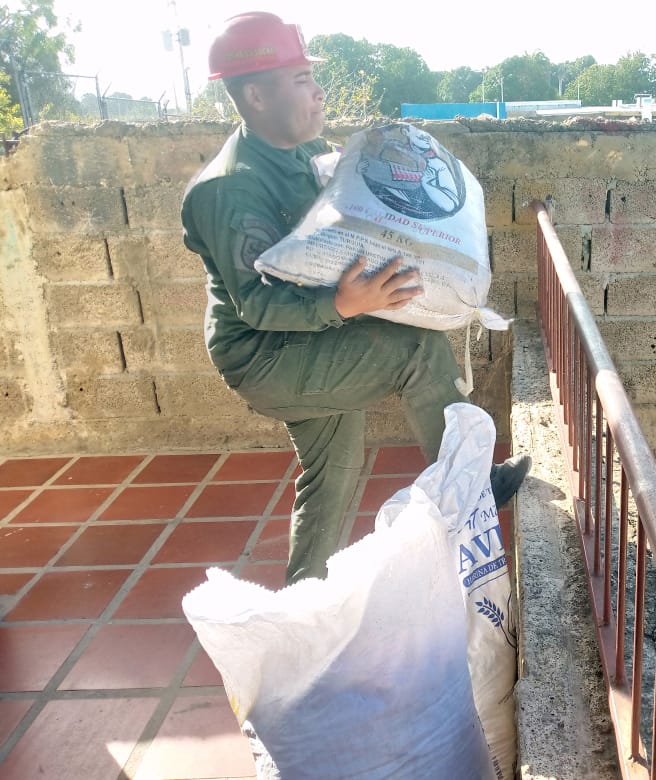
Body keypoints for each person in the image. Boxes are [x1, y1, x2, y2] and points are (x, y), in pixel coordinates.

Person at [181, 11, 530, 584]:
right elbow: (255, 304)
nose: (317, 90)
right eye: (299, 80)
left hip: (307, 341)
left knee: (331, 479)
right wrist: (346, 304)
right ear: (255, 95)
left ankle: (302, 612)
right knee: (415, 351)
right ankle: (471, 491)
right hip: (268, 356)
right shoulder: (229, 189)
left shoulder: (300, 151)